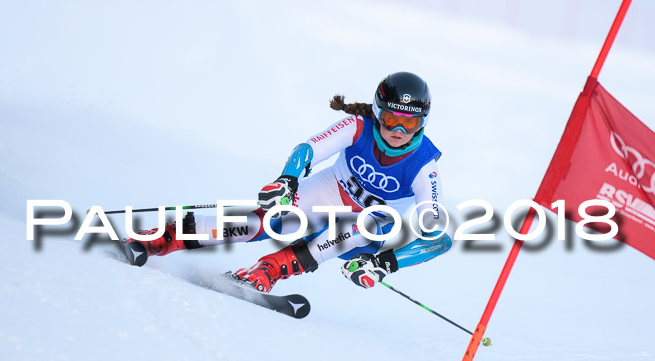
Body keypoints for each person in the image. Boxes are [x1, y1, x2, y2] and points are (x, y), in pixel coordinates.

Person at [125, 72, 452, 292]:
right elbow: (309, 149)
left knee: (368, 225)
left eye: (410, 123)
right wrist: (287, 181)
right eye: (392, 119)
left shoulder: (424, 166)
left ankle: (270, 269)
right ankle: (167, 237)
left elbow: (439, 240)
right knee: (267, 220)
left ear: (423, 122)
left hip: (365, 229)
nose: (399, 131)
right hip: (331, 190)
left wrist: (384, 264)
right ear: (378, 113)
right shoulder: (357, 126)